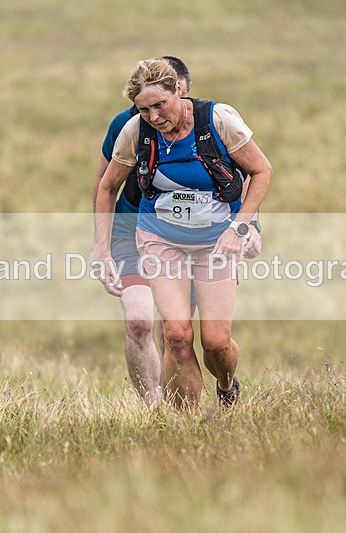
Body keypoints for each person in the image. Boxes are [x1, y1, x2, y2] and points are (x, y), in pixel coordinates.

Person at [92, 58, 272, 410]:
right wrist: (102, 249)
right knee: (175, 335)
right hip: (159, 240)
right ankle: (186, 424)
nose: (154, 117)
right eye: (144, 110)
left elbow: (261, 170)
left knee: (216, 343)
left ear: (179, 91)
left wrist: (243, 226)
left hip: (215, 241)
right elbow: (106, 187)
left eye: (160, 105)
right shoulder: (134, 131)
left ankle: (225, 383)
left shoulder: (218, 120)